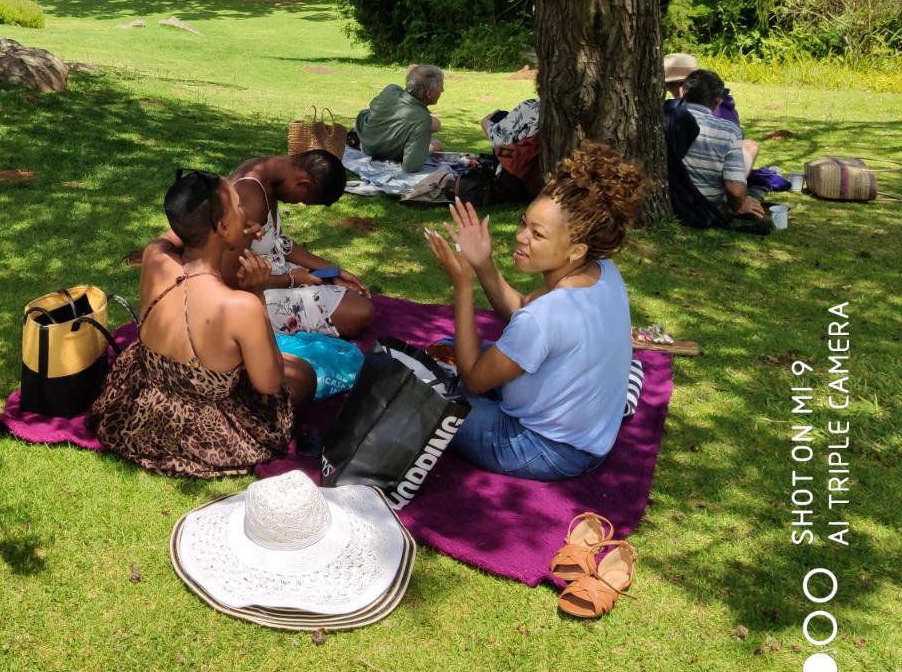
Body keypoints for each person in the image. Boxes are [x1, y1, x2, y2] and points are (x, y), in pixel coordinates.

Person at [424, 143, 643, 481]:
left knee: (425, 396)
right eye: (524, 223)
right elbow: (522, 312)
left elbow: (475, 379)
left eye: (537, 234)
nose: (520, 237)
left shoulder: (545, 318)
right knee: (444, 349)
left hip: (544, 448)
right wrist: (483, 264)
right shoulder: (601, 271)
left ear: (575, 249)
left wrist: (463, 286)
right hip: (590, 439)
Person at [87, 171, 311, 477]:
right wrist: (257, 292)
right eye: (238, 206)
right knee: (302, 374)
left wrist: (233, 229)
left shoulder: (155, 256)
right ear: (220, 225)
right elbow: (269, 384)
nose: (245, 212)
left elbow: (181, 228)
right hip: (204, 431)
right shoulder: (240, 306)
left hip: (142, 405)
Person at [226, 151, 375, 338]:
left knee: (348, 293)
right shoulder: (250, 197)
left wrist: (332, 269)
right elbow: (228, 277)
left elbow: (277, 241)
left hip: (275, 275)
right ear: (303, 182)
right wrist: (292, 280)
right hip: (248, 296)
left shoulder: (268, 175)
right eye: (304, 200)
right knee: (360, 312)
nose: (298, 204)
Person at [667, 68, 766, 222]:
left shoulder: (665, 117)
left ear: (684, 93)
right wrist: (739, 206)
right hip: (707, 205)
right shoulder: (728, 131)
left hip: (672, 201)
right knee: (749, 147)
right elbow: (735, 191)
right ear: (718, 101)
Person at [664, 52, 757, 168]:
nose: (675, 90)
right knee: (750, 146)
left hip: (707, 168)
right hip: (718, 171)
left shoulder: (673, 110)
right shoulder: (721, 103)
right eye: (669, 84)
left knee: (749, 145)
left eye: (680, 84)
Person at [357, 64, 445, 173]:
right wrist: (432, 147)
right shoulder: (422, 120)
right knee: (436, 142)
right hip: (376, 150)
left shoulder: (391, 90)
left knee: (435, 124)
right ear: (429, 93)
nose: (442, 90)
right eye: (441, 86)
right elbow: (410, 166)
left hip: (365, 139)